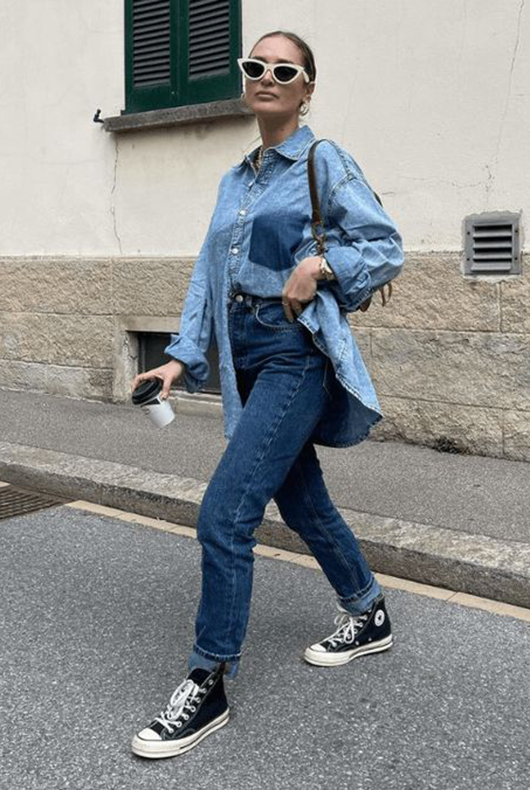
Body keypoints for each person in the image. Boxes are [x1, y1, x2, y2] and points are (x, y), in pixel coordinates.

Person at [130, 30, 404, 760]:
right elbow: (207, 272)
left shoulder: (323, 160)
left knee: (225, 515)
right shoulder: (235, 178)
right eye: (256, 67)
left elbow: (384, 246)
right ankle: (369, 611)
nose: (268, 77)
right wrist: (180, 358)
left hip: (294, 351)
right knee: (302, 500)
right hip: (244, 353)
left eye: (286, 70)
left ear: (307, 88)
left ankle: (209, 678)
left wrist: (319, 266)